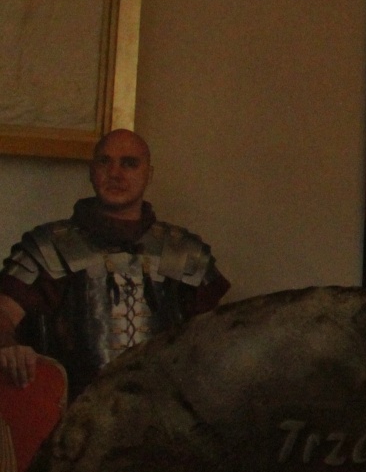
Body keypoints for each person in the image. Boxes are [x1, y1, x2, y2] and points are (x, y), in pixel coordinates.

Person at [0, 130, 228, 392]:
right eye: (104, 162)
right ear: (91, 171)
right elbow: (3, 314)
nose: (115, 173)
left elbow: (215, 341)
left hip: (162, 409)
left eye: (129, 163)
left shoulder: (185, 252)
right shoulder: (48, 247)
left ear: (149, 174)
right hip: (72, 408)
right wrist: (8, 347)